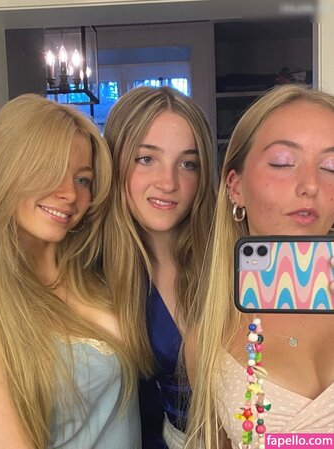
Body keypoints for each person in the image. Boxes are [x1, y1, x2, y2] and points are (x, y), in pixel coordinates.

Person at [0, 94, 141, 449]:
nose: (69, 194)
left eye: (82, 180)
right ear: (4, 173)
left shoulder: (98, 276)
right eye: (50, 171)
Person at [184, 84, 334, 449]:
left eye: (331, 167)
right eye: (282, 162)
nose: (310, 185)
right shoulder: (207, 340)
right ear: (235, 186)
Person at [102, 86, 217, 448]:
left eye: (187, 164)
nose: (168, 183)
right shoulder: (89, 275)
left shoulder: (228, 259)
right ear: (114, 162)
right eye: (146, 158)